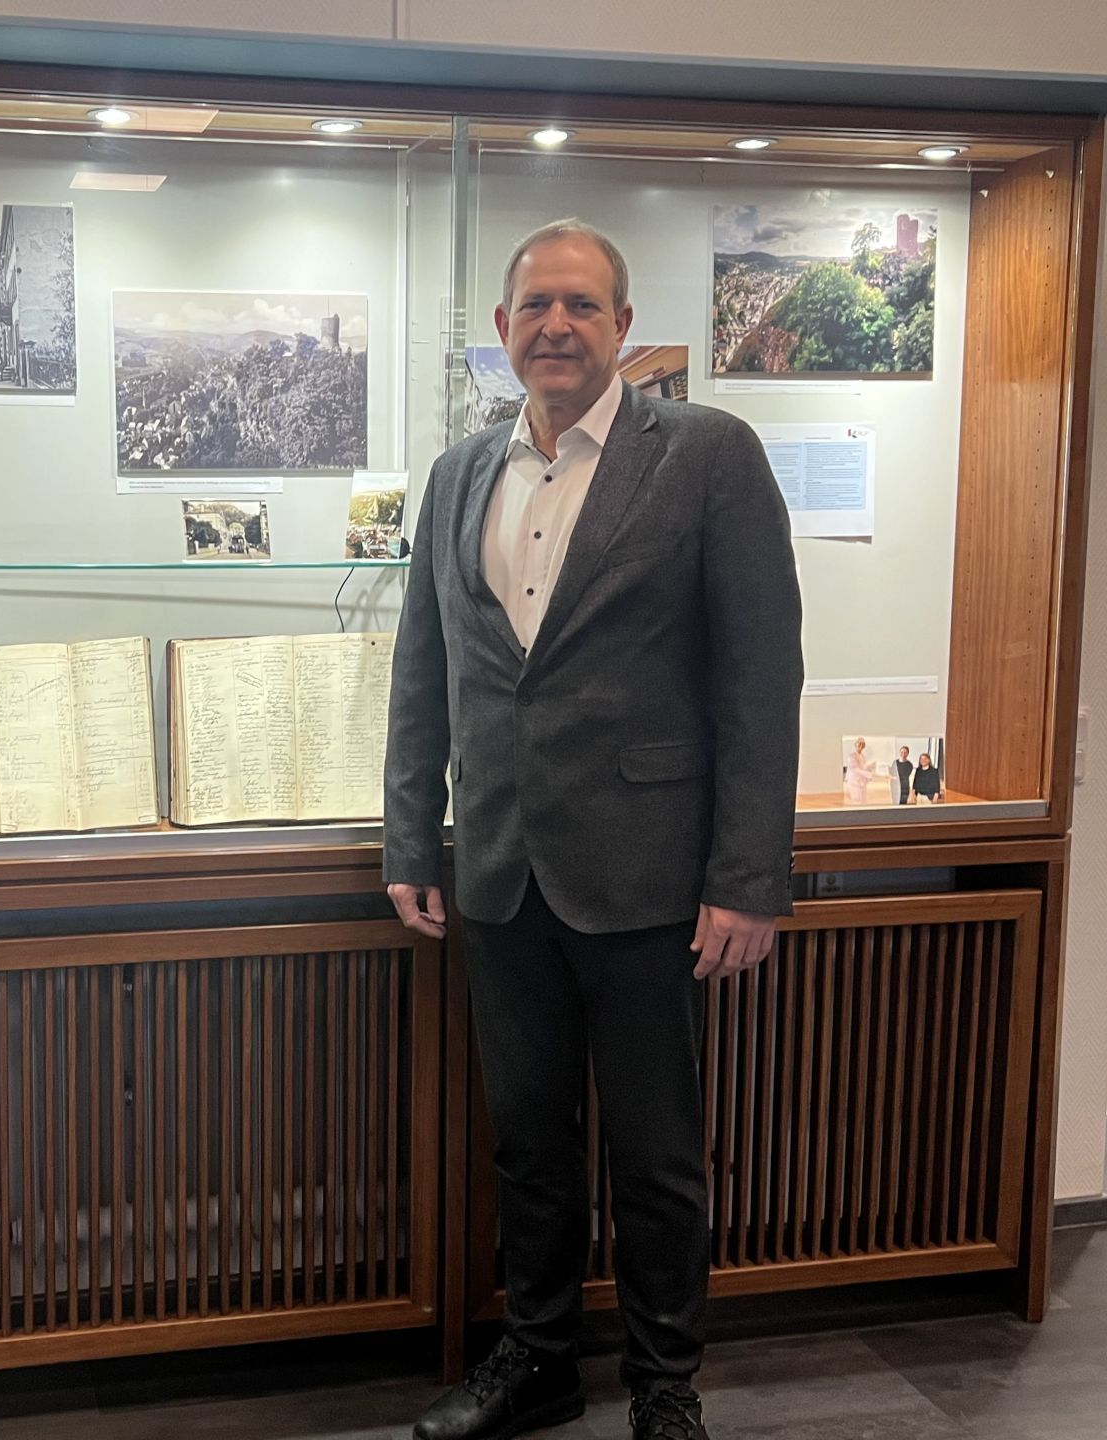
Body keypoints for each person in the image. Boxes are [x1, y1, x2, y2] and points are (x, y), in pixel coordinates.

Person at [384, 220, 802, 1440]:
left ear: (622, 326)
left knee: (658, 1158)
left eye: (580, 306)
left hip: (650, 877)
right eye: (535, 306)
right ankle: (539, 1360)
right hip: (500, 872)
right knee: (528, 1144)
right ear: (503, 329)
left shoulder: (708, 454)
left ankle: (665, 1388)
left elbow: (758, 677)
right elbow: (425, 671)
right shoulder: (460, 472)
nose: (556, 327)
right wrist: (412, 838)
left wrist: (748, 878)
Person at [844, 736, 874, 805]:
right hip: (854, 781)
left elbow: (863, 767)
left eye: (862, 745)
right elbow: (855, 769)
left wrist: (869, 767)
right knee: (857, 801)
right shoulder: (851, 756)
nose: (860, 747)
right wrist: (869, 774)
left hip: (862, 782)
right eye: (859, 745)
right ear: (856, 745)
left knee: (864, 801)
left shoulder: (862, 756)